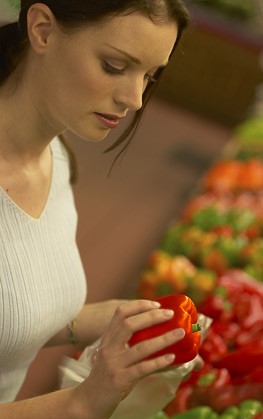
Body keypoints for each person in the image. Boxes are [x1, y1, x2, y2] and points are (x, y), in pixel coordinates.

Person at [0, 0, 190, 417]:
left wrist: (97, 320)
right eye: (115, 66)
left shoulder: (58, 156)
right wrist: (82, 402)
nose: (136, 99)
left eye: (150, 76)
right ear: (44, 30)